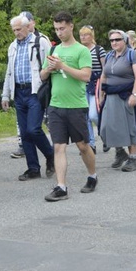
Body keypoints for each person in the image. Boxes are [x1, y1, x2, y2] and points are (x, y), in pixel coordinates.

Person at [39, 11, 95, 201]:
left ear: (71, 26)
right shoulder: (54, 50)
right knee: (58, 147)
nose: (59, 32)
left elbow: (86, 76)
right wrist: (48, 68)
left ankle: (92, 175)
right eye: (56, 29)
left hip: (76, 106)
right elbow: (42, 76)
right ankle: (61, 187)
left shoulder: (82, 50)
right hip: (55, 105)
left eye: (62, 28)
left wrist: (63, 66)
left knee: (83, 146)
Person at [1, 14, 55, 181]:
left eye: (19, 29)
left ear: (27, 27)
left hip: (35, 92)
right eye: (14, 30)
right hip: (19, 92)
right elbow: (9, 71)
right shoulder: (12, 47)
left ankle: (51, 155)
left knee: (33, 129)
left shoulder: (40, 42)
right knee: (24, 133)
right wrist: (5, 95)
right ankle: (33, 168)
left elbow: (50, 65)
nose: (16, 32)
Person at [100, 30, 136, 172]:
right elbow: (104, 76)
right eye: (112, 40)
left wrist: (135, 95)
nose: (114, 43)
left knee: (130, 127)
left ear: (124, 40)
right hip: (110, 96)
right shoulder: (109, 56)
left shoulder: (133, 55)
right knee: (107, 126)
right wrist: (101, 95)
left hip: (127, 95)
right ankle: (120, 152)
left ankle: (132, 159)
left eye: (117, 40)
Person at [78, 25, 106, 153]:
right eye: (81, 35)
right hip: (83, 84)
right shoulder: (78, 50)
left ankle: (105, 136)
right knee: (85, 117)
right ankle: (91, 144)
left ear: (92, 36)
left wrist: (103, 88)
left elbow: (105, 69)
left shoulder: (99, 50)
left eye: (86, 34)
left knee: (94, 115)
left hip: (96, 84)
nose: (83, 37)